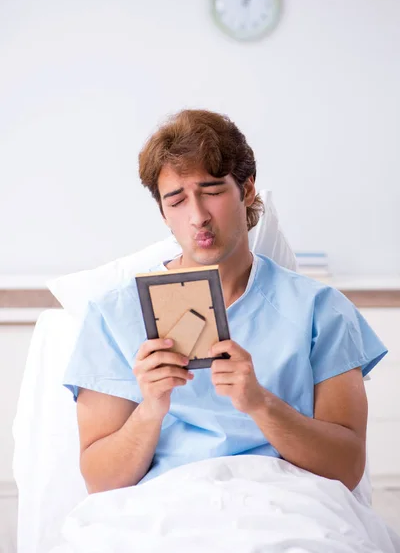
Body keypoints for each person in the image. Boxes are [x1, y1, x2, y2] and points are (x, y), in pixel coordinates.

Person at [63, 109, 387, 495]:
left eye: (213, 192)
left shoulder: (320, 310)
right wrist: (150, 407)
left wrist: (260, 403)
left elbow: (347, 467)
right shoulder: (113, 315)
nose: (198, 216)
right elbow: (99, 480)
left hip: (288, 502)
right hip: (161, 506)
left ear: (247, 190)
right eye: (177, 200)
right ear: (163, 213)